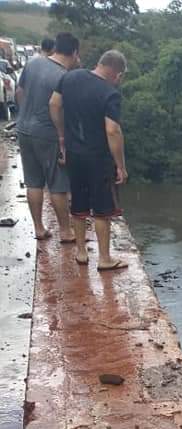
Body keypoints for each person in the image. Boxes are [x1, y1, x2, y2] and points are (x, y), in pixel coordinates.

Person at [50, 50, 128, 272]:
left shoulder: (70, 76)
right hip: (99, 158)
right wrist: (120, 165)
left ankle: (81, 253)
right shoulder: (110, 93)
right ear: (117, 73)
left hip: (74, 154)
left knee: (79, 203)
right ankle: (104, 259)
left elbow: (54, 104)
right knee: (103, 209)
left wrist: (62, 135)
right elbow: (112, 130)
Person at [15, 32, 79, 242]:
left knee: (33, 182)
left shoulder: (33, 64)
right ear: (74, 53)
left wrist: (23, 113)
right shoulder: (64, 76)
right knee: (57, 183)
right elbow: (56, 106)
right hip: (48, 134)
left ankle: (39, 228)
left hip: (24, 129)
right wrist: (62, 135)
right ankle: (65, 231)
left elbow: (19, 91)